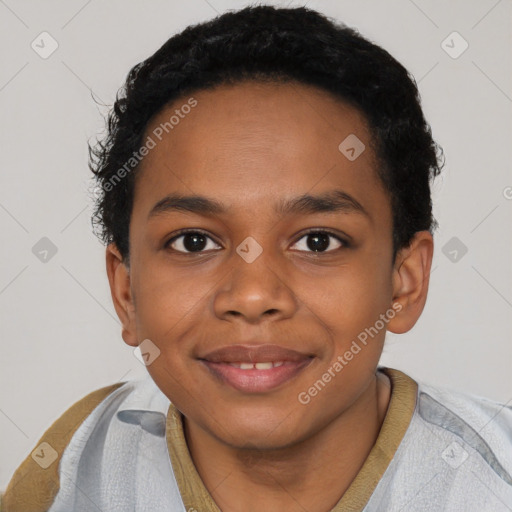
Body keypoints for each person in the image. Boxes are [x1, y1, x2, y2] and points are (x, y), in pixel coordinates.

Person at [3, 5, 511, 511]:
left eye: (318, 241)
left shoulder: (492, 481)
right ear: (126, 291)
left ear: (404, 282)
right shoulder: (75, 464)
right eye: (194, 242)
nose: (251, 296)